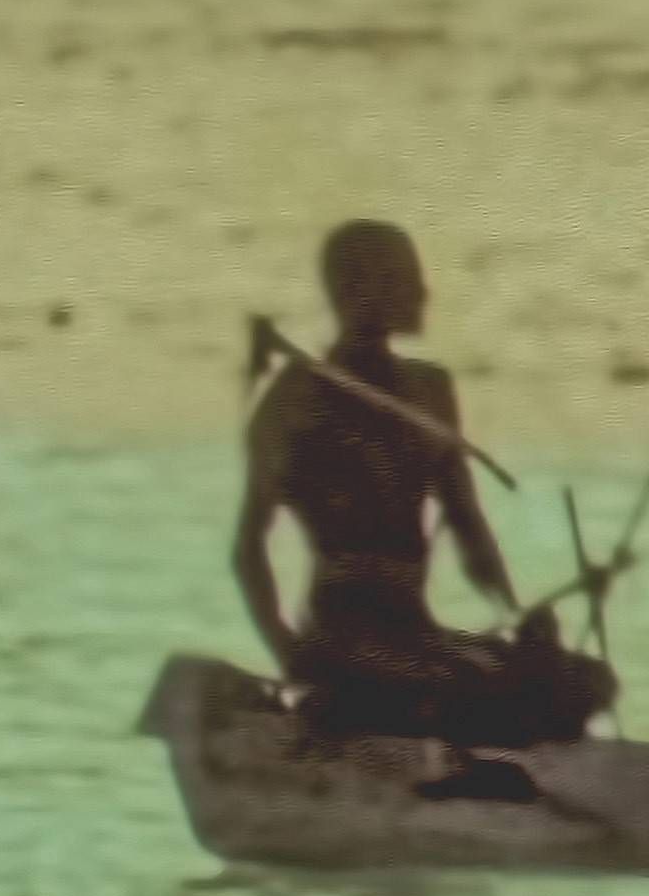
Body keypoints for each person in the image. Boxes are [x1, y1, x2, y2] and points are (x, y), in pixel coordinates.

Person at [233, 220, 616, 748]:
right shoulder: (298, 398)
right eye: (404, 277)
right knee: (460, 690)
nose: (422, 291)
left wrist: (516, 614)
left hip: (416, 634)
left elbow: (466, 523)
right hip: (343, 639)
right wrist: (288, 653)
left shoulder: (431, 391)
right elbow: (248, 546)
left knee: (583, 682)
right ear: (355, 290)